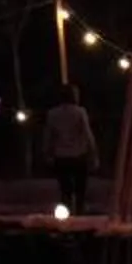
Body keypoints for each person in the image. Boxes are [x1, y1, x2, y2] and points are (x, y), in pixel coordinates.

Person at [42, 84, 98, 214]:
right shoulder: (80, 112)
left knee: (65, 188)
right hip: (79, 154)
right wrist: (93, 152)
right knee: (80, 188)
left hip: (61, 155)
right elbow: (87, 133)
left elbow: (48, 135)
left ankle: (66, 212)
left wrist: (47, 152)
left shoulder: (52, 113)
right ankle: (79, 211)